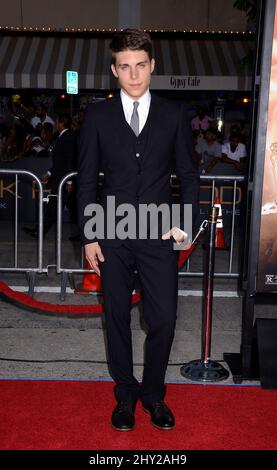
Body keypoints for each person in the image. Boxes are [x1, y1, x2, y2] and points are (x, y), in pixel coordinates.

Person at [77, 29, 199, 432]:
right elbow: (88, 181)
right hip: (110, 231)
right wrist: (89, 235)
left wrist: (184, 222)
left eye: (140, 65)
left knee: (163, 318)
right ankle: (125, 396)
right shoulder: (97, 116)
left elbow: (188, 174)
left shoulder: (174, 114)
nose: (134, 75)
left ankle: (153, 394)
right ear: (114, 70)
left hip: (159, 232)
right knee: (115, 318)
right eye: (125, 67)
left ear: (152, 66)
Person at [24, 113, 78, 237]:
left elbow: (69, 160)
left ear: (61, 123)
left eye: (56, 122)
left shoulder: (68, 137)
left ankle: (40, 231)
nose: (54, 124)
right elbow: (61, 161)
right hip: (60, 178)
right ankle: (40, 231)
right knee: (56, 207)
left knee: (61, 208)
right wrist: (49, 172)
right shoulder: (63, 136)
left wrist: (69, 181)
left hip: (64, 180)